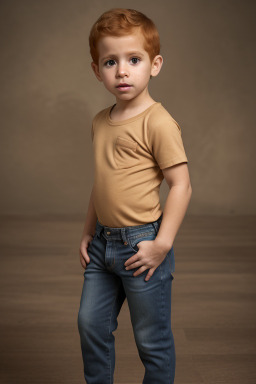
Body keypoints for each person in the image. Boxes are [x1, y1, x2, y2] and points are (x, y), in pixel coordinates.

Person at [77, 8, 192, 384]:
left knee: (151, 339)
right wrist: (87, 231)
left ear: (154, 65)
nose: (122, 70)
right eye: (111, 62)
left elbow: (181, 185)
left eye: (134, 59)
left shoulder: (157, 121)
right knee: (91, 326)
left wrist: (162, 244)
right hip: (102, 244)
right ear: (97, 70)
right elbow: (103, 180)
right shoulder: (100, 120)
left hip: (141, 245)